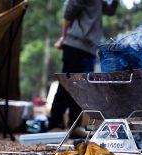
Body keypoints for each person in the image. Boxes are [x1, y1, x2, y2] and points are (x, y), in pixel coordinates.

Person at [49, 0, 119, 130]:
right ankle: (55, 123)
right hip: (75, 45)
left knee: (81, 87)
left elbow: (110, 11)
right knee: (67, 84)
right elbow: (69, 12)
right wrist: (63, 37)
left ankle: (74, 126)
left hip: (90, 48)